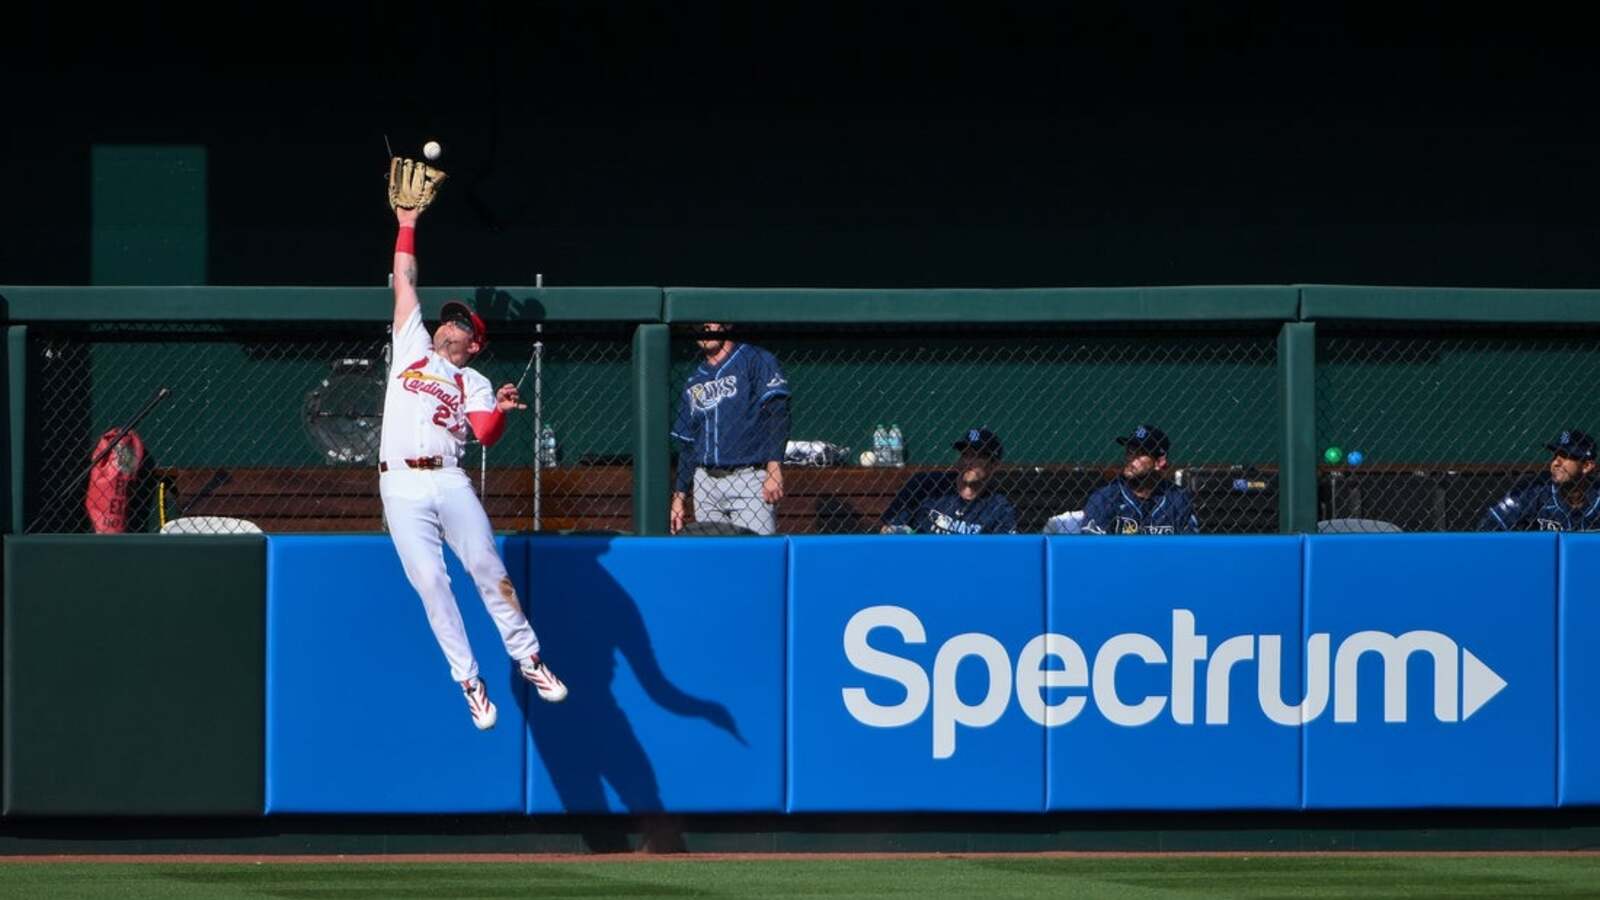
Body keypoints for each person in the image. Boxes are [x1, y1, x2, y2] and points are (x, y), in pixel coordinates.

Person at [382, 158, 566, 732]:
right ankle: (468, 681)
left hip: (448, 476)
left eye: (462, 326)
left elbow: (484, 434)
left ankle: (528, 656)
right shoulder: (412, 344)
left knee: (487, 566)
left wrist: (501, 414)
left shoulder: (476, 381)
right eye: (450, 319)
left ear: (475, 344)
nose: (451, 326)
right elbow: (405, 278)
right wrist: (407, 221)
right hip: (400, 482)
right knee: (432, 584)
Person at [669, 323, 791, 535]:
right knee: (713, 559)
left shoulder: (754, 359)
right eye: (697, 325)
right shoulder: (693, 381)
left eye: (710, 322)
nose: (704, 328)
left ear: (726, 323)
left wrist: (774, 468)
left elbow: (777, 413)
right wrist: (679, 498)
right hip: (705, 483)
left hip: (748, 477)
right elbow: (688, 445)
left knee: (757, 555)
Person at [879, 428, 1018, 535]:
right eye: (965, 454)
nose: (968, 461)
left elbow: (1006, 553)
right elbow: (887, 530)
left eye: (978, 456)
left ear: (994, 465)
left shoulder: (999, 508)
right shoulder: (925, 484)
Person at [1080, 425, 1199, 535]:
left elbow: (1191, 550)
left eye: (1140, 453)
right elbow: (1093, 551)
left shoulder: (1178, 499)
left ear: (1159, 462)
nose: (1131, 458)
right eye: (1130, 452)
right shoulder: (1105, 498)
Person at [1479, 429, 1600, 531]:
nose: (1555, 463)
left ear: (1587, 466)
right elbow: (1490, 524)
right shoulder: (1534, 489)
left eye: (1565, 456)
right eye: (1555, 455)